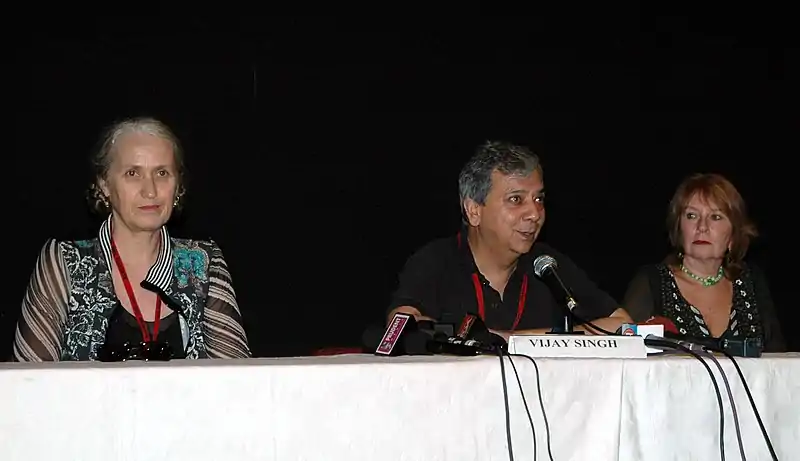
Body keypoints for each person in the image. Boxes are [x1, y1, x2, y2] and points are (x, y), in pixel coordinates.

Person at [12, 116, 251, 361]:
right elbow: (28, 383)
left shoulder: (203, 262)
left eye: (162, 173)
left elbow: (237, 380)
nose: (150, 190)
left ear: (178, 186)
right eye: (133, 173)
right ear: (104, 184)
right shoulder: (64, 262)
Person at [386, 141, 633, 339]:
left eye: (539, 199)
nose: (535, 214)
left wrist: (514, 340)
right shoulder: (435, 261)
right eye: (516, 200)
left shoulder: (547, 265)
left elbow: (622, 324)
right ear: (474, 210)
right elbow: (400, 330)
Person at [622, 173, 785, 352]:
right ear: (679, 228)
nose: (702, 227)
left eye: (715, 217)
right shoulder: (651, 282)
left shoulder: (751, 281)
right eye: (692, 215)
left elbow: (778, 361)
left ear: (733, 233)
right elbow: (626, 357)